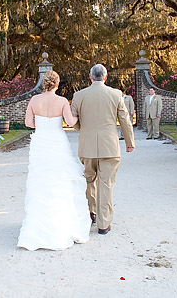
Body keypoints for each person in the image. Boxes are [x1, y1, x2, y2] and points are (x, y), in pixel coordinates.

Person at [18, 70, 90, 250]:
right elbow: (71, 122)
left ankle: (38, 227)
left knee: (40, 182)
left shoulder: (34, 101)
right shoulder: (62, 101)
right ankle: (61, 223)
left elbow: (28, 123)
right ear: (57, 84)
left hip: (41, 142)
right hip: (57, 142)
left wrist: (41, 126)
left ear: (44, 83)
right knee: (60, 181)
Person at [70, 64, 134, 235]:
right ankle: (103, 223)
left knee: (89, 180)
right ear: (105, 77)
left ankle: (92, 212)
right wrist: (129, 142)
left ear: (90, 77)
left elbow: (73, 120)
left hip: (87, 145)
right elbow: (125, 120)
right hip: (109, 146)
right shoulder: (115, 94)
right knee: (106, 183)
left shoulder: (79, 95)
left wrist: (83, 128)